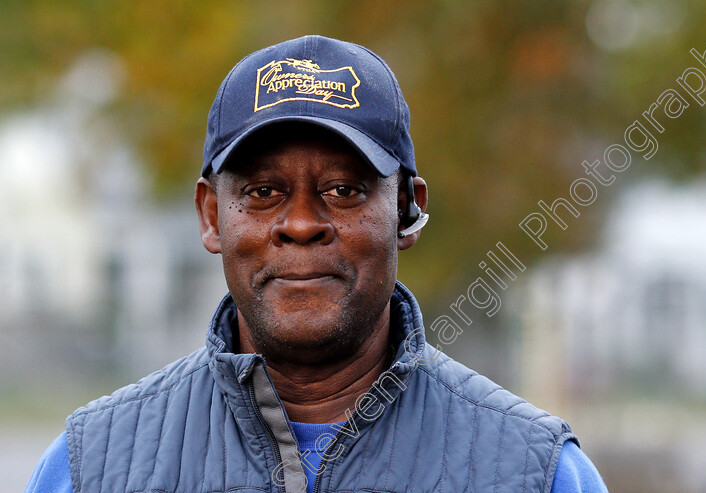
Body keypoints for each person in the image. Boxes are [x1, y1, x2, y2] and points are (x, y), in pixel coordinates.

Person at [25, 35, 608, 493]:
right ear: (210, 216)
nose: (301, 223)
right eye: (262, 192)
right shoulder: (93, 467)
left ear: (407, 209)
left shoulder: (535, 473)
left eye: (343, 190)